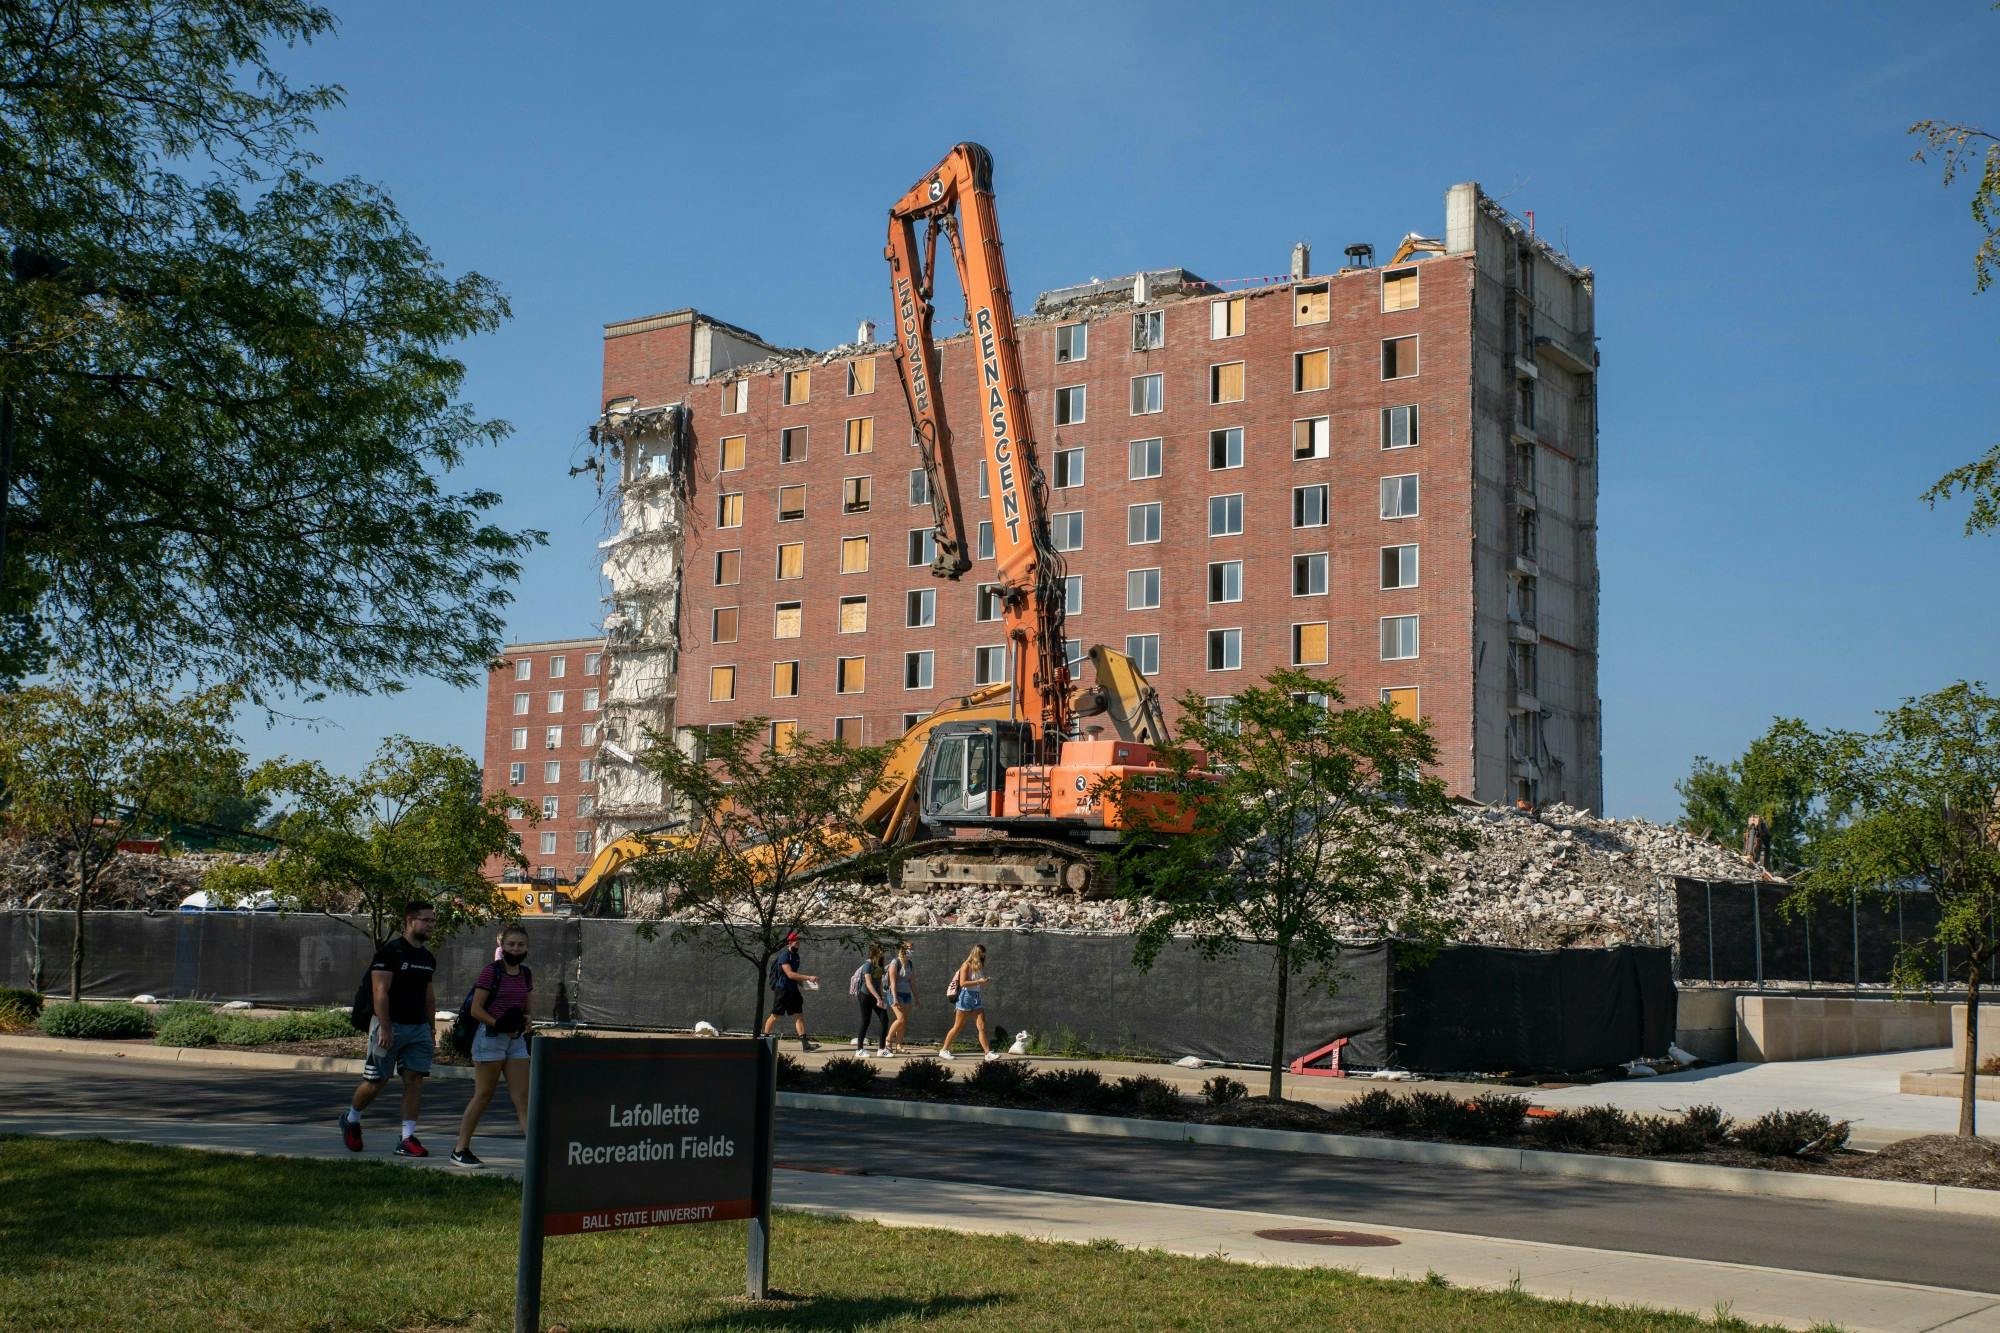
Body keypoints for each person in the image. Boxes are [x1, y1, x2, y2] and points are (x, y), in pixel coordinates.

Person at [341, 900, 438, 1157]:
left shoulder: (427, 957)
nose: (431, 925)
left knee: (414, 1080)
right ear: (409, 921)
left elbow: (429, 996)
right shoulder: (391, 952)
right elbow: (379, 991)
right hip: (389, 1026)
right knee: (377, 1081)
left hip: (418, 1028)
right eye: (426, 920)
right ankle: (351, 1119)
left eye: (433, 920)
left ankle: (407, 1139)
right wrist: (384, 1026)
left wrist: (431, 1028)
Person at [450, 922, 534, 1168]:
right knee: (484, 1094)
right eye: (511, 944)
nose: (516, 950)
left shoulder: (526, 974)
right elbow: (476, 1010)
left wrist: (526, 1020)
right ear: (502, 945)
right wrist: (499, 1024)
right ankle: (460, 1148)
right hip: (490, 1037)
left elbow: (528, 1008)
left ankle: (534, 1150)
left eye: (520, 945)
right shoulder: (491, 971)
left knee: (523, 1097)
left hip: (515, 1040)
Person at [936, 943, 998, 1062]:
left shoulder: (980, 965)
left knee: (982, 1026)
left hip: (976, 998)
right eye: (981, 954)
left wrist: (982, 982)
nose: (983, 956)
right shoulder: (966, 965)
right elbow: (963, 983)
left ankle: (987, 1053)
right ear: (976, 953)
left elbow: (977, 981)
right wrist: (979, 981)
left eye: (984, 954)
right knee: (958, 1026)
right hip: (965, 997)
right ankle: (944, 1050)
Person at [761, 930, 819, 1050]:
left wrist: (806, 985)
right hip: (782, 990)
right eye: (796, 943)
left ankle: (805, 1045)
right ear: (790, 943)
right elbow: (790, 974)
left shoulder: (796, 956)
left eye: (799, 943)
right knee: (775, 1016)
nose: (798, 945)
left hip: (793, 991)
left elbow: (795, 976)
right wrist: (808, 977)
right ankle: (763, 1040)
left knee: (799, 1015)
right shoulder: (784, 955)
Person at [850, 943, 892, 1051]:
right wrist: (878, 998)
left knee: (885, 1020)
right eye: (881, 950)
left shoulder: (880, 964)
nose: (883, 952)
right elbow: (868, 984)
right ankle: (859, 1050)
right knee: (865, 1021)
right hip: (865, 996)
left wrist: (882, 997)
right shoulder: (867, 965)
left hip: (877, 996)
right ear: (876, 951)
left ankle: (882, 1049)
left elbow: (881, 982)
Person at [880, 939, 915, 1057]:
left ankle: (899, 1046)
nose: (912, 950)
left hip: (906, 995)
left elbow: (912, 981)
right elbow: (893, 983)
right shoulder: (895, 962)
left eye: (912, 948)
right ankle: (888, 1041)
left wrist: (917, 997)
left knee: (903, 1022)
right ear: (903, 949)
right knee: (900, 1019)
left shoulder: (909, 963)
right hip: (895, 994)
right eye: (910, 948)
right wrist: (894, 998)